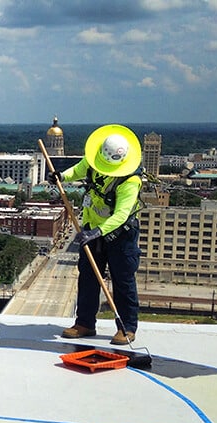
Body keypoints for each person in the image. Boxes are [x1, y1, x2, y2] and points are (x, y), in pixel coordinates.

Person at [49, 124, 143, 346]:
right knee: (88, 278)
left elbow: (121, 214)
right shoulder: (94, 162)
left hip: (120, 235)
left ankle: (127, 327)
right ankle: (85, 323)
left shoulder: (130, 180)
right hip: (92, 230)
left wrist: (97, 232)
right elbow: (78, 170)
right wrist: (61, 176)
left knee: (123, 280)